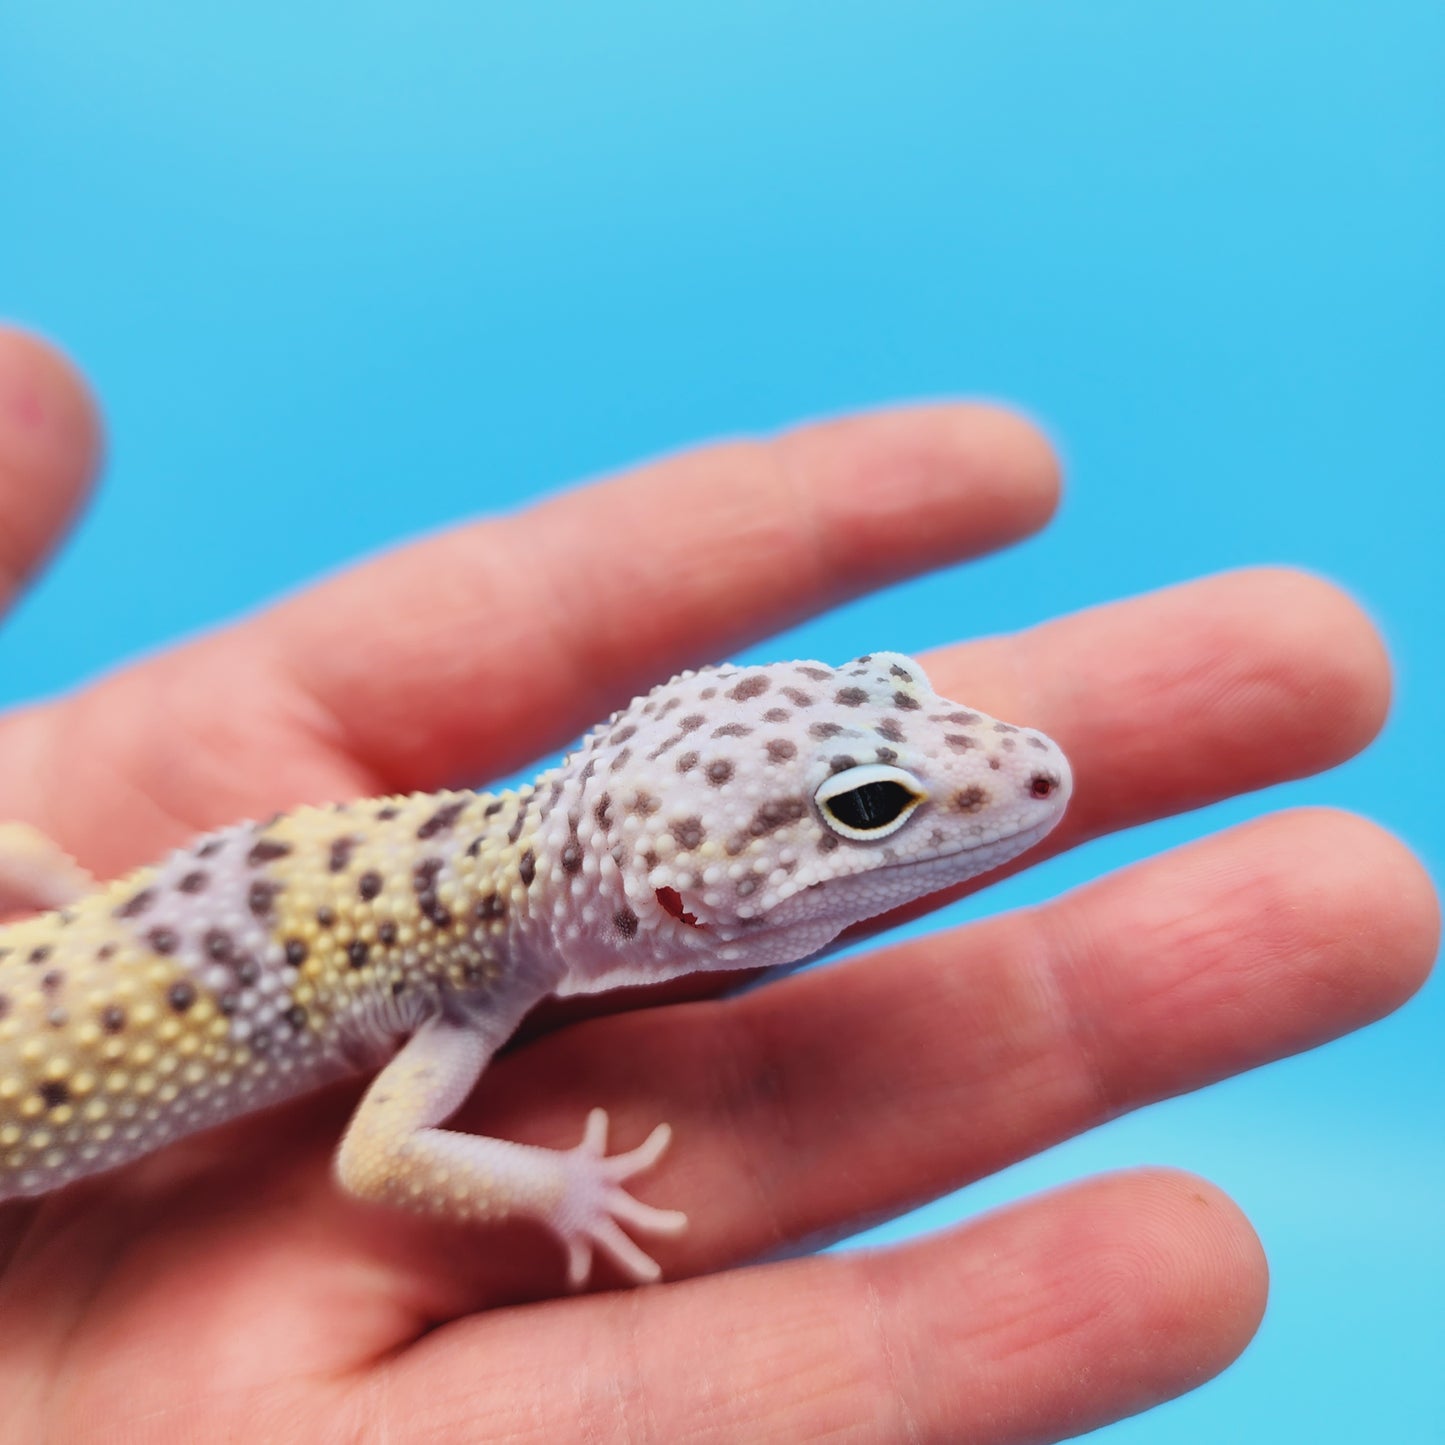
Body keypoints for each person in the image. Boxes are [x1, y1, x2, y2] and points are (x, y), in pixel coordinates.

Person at [0, 326, 1435, 1442]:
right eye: (871, 809)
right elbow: (378, 1159)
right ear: (675, 907)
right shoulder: (463, 984)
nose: (1020, 774)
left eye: (889, 711)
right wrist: (558, 1187)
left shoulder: (432, 866)